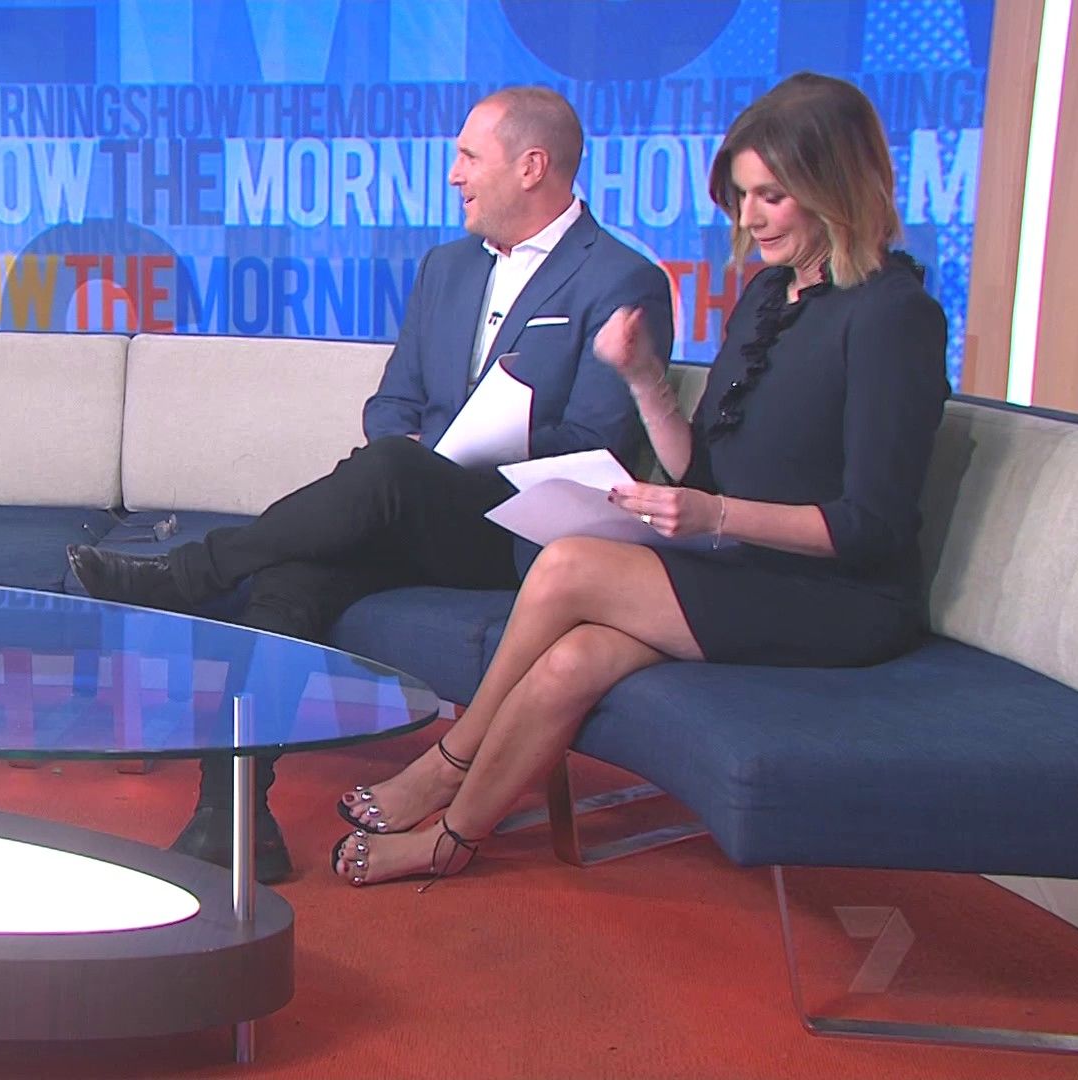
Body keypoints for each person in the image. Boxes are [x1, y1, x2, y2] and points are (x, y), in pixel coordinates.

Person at [328, 72, 950, 887]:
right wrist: (646, 379)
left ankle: (449, 758)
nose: (751, 218)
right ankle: (452, 838)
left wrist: (714, 516)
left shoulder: (893, 316)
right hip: (742, 566)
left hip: (837, 596)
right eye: (741, 197)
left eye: (771, 196)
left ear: (835, 189)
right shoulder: (769, 295)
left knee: (571, 565)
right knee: (574, 661)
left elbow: (872, 526)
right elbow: (705, 469)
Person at [67, 87, 675, 882]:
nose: (454, 175)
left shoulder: (622, 279)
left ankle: (193, 572)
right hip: (412, 510)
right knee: (293, 576)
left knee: (391, 471)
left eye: (469, 157)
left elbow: (599, 442)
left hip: (522, 531)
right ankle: (232, 816)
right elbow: (391, 403)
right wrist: (413, 453)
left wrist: (444, 461)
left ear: (532, 167)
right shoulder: (446, 267)